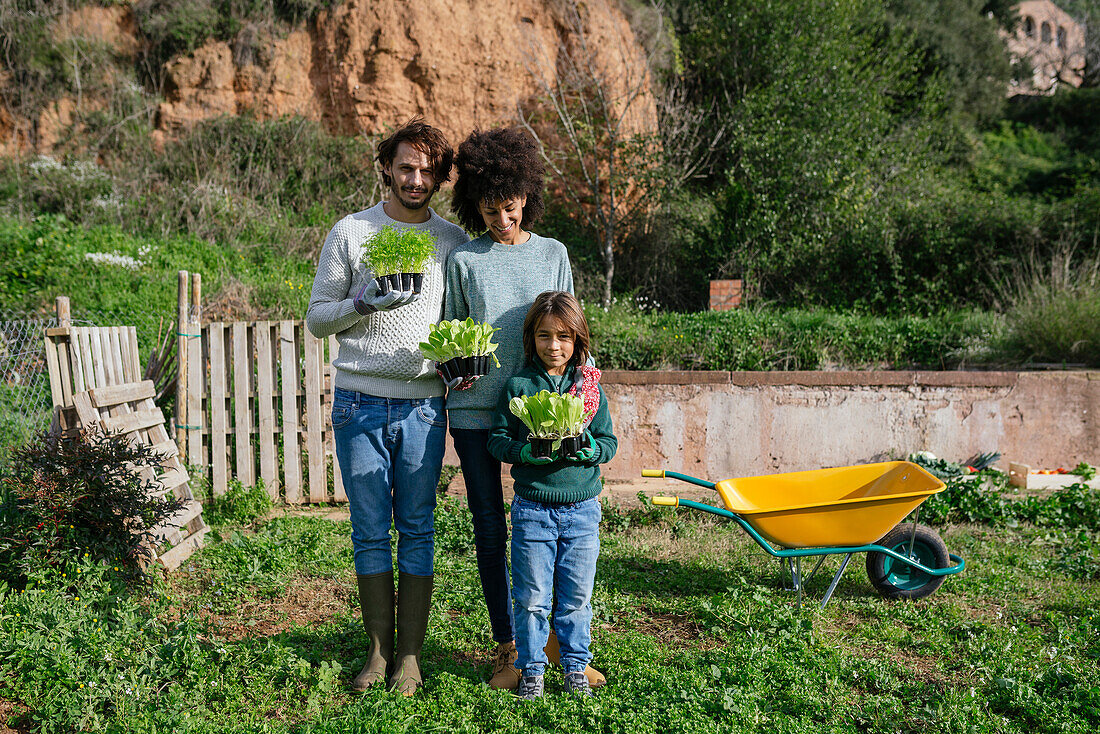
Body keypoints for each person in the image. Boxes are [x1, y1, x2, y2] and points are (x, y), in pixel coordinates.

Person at [305, 118, 469, 696]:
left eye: (427, 170)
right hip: (359, 404)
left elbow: (459, 328)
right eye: (406, 167)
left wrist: (462, 360)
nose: (416, 179)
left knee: (418, 529)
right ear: (387, 169)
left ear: (441, 178)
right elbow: (317, 318)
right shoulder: (351, 232)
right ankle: (376, 654)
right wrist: (360, 300)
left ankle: (409, 658)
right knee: (371, 530)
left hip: (423, 409)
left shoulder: (450, 244)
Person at [443, 127, 604, 689]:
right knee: (491, 526)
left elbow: (573, 333)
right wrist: (457, 362)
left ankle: (559, 644)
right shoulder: (464, 260)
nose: (500, 220)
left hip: (548, 414)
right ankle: (509, 647)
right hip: (479, 413)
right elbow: (453, 332)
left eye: (509, 209)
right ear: (475, 205)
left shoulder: (553, 254)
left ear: (525, 198)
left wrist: (581, 406)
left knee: (552, 526)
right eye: (489, 211)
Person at [486, 291, 616, 699]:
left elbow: (609, 442)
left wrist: (592, 449)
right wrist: (523, 451)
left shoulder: (589, 387)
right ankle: (532, 669)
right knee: (531, 597)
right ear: (531, 338)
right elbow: (498, 440)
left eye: (563, 336)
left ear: (578, 340)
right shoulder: (518, 386)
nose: (554, 346)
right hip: (533, 509)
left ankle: (576, 665)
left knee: (576, 596)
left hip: (582, 509)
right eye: (544, 336)